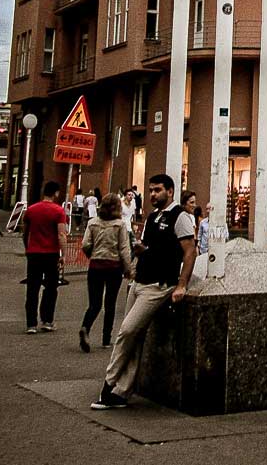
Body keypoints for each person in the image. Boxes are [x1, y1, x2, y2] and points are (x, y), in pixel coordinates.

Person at [91, 173, 196, 410]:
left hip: (159, 285)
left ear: (170, 191)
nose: (152, 194)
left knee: (127, 331)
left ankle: (109, 384)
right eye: (150, 190)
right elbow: (151, 247)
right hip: (141, 282)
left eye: (157, 190)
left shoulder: (180, 217)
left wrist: (181, 284)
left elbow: (190, 251)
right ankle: (122, 391)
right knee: (133, 335)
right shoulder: (151, 217)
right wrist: (138, 258)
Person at [79, 193, 133, 352]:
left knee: (94, 304)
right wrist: (128, 268)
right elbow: (124, 249)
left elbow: (85, 244)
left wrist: (92, 255)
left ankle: (85, 327)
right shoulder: (120, 224)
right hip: (113, 267)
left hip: (95, 266)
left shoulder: (93, 223)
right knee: (110, 304)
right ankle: (106, 339)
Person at [22, 181, 68, 333]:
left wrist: (27, 248)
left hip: (34, 253)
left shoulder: (31, 210)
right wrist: (63, 254)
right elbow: (61, 234)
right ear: (55, 193)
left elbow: (25, 232)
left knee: (32, 288)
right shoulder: (58, 211)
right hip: (51, 254)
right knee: (50, 288)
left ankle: (31, 324)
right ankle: (47, 320)